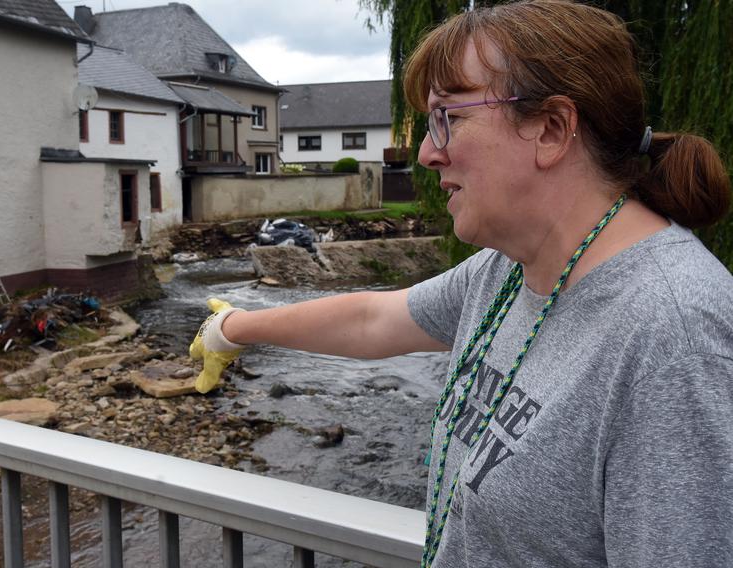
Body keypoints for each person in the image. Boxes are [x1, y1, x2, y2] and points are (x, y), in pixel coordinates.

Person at [190, 1, 733, 566]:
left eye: (449, 116)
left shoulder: (676, 335)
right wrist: (231, 328)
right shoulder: (505, 270)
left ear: (551, 129)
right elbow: (373, 321)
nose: (427, 152)